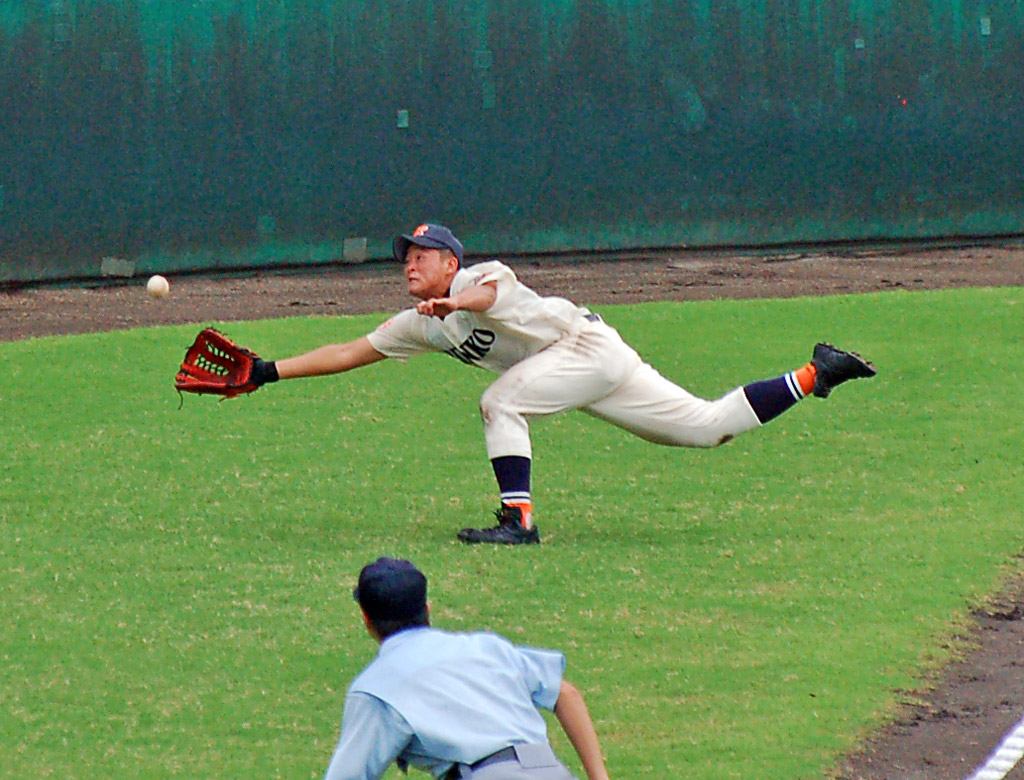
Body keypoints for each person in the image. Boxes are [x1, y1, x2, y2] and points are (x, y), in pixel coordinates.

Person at [247, 223, 876, 545]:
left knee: (500, 402)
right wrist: (266, 372)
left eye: (421, 253)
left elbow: (487, 295)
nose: (409, 261)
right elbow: (349, 350)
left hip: (586, 347)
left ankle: (517, 523)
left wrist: (456, 301)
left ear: (450, 262)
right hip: (584, 364)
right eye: (405, 254)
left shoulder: (483, 276)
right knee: (705, 429)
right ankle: (817, 371)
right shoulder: (423, 324)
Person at [322, 556, 611, 780]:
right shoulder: (486, 647)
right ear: (428, 608)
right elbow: (566, 694)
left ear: (366, 619)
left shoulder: (376, 687)